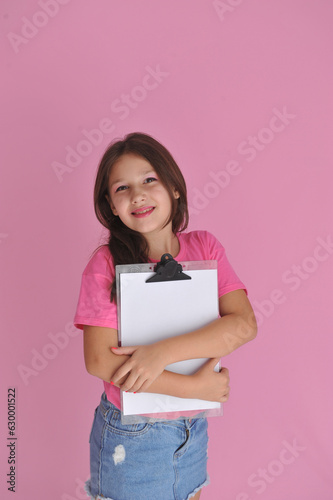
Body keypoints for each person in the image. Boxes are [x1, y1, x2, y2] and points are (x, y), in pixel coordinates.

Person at [74, 132, 257, 500]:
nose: (137, 195)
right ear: (110, 205)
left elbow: (242, 324)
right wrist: (194, 389)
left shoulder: (205, 247)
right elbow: (99, 360)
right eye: (121, 188)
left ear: (174, 188)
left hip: (192, 427)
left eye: (149, 180)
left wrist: (160, 353)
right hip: (133, 434)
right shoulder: (105, 264)